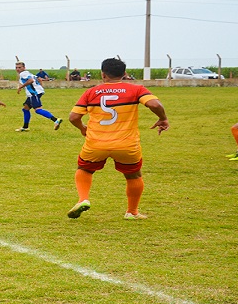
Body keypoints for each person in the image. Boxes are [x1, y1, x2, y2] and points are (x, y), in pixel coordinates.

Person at [67, 58, 169, 220]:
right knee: (134, 175)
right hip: (126, 144)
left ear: (103, 74)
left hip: (96, 143)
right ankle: (132, 212)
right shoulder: (136, 89)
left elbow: (73, 117)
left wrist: (82, 128)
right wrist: (163, 119)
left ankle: (83, 199)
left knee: (85, 169)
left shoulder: (91, 92)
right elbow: (155, 105)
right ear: (124, 73)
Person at [15, 61, 62, 132]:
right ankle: (25, 127)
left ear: (24, 68)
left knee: (38, 110)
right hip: (34, 93)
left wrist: (21, 86)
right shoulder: (28, 73)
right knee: (25, 109)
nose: (18, 69)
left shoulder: (23, 74)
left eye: (19, 67)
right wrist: (40, 87)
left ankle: (55, 120)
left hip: (33, 94)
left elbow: (30, 80)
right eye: (16, 68)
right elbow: (39, 79)